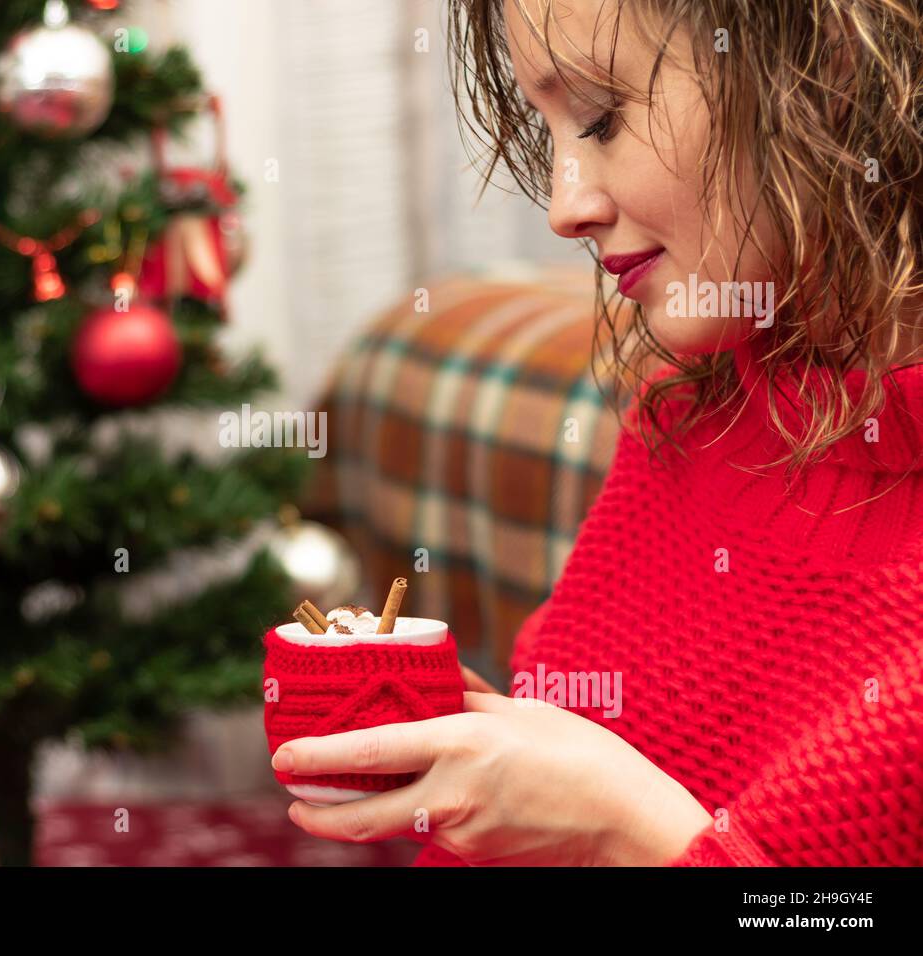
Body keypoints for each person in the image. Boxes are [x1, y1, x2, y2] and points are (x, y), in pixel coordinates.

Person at [275, 0, 923, 866]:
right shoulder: (687, 419)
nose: (563, 206)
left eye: (603, 117)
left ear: (828, 66)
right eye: (550, 133)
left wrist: (624, 832)